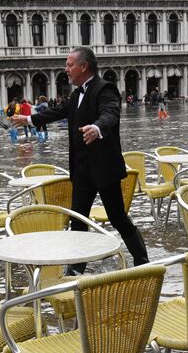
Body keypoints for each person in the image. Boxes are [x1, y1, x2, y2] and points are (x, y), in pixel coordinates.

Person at [10, 46, 149, 275]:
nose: (66, 69)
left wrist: (96, 127)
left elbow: (110, 114)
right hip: (82, 170)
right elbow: (58, 112)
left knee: (118, 218)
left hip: (104, 169)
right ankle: (76, 270)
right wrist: (29, 119)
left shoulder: (106, 89)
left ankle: (142, 261)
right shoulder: (76, 95)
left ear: (83, 66)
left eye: (69, 64)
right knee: (78, 220)